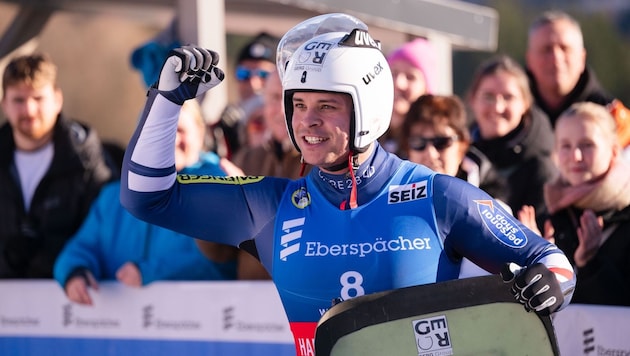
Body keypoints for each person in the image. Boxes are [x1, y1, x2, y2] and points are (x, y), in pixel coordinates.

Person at [120, 15, 575, 355]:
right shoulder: (271, 206)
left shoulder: (438, 196)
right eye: (297, 105)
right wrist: (165, 100)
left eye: (327, 106)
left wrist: (550, 284)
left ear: (368, 109)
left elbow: (551, 264)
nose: (308, 121)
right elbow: (146, 197)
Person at [54, 100, 238, 305]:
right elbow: (80, 248)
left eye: (179, 130)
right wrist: (75, 272)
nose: (170, 139)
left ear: (200, 133)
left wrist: (148, 272)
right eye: (159, 130)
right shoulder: (113, 198)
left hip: (201, 322)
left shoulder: (219, 188)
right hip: (122, 328)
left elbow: (222, 262)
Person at [0, 53, 115, 279]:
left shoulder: (86, 161)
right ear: (5, 104)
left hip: (71, 298)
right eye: (19, 100)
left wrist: (49, 258)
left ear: (57, 99)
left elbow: (105, 231)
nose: (29, 110)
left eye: (38, 99)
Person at [520, 102, 630, 306]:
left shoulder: (624, 215)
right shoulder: (549, 218)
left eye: (587, 145)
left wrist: (590, 264)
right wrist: (533, 257)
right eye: (566, 146)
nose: (575, 156)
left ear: (614, 151)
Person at [227, 70, 307, 280]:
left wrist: (250, 202)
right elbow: (220, 253)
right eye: (274, 98)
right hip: (251, 303)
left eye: (291, 100)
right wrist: (220, 205)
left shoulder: (325, 164)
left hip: (306, 301)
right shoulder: (247, 158)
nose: (281, 110)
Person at [467, 54, 557, 231]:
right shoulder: (458, 154)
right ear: (473, 100)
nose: (498, 107)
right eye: (488, 96)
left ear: (525, 104)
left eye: (508, 97)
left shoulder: (540, 170)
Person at [526, 10, 630, 150]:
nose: (556, 58)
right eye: (546, 49)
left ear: (582, 58)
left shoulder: (615, 119)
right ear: (529, 59)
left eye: (565, 49)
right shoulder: (507, 112)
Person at [401, 94, 507, 204]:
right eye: (418, 142)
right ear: (407, 148)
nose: (431, 154)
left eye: (442, 142)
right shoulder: (386, 191)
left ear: (462, 147)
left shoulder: (493, 200)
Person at [211, 32, 279, 158]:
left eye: (264, 75)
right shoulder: (226, 125)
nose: (254, 83)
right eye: (244, 74)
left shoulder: (291, 126)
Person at [380, 38, 437, 158]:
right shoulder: (368, 134)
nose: (398, 83)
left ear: (427, 88)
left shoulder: (434, 143)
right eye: (393, 73)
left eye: (410, 77)